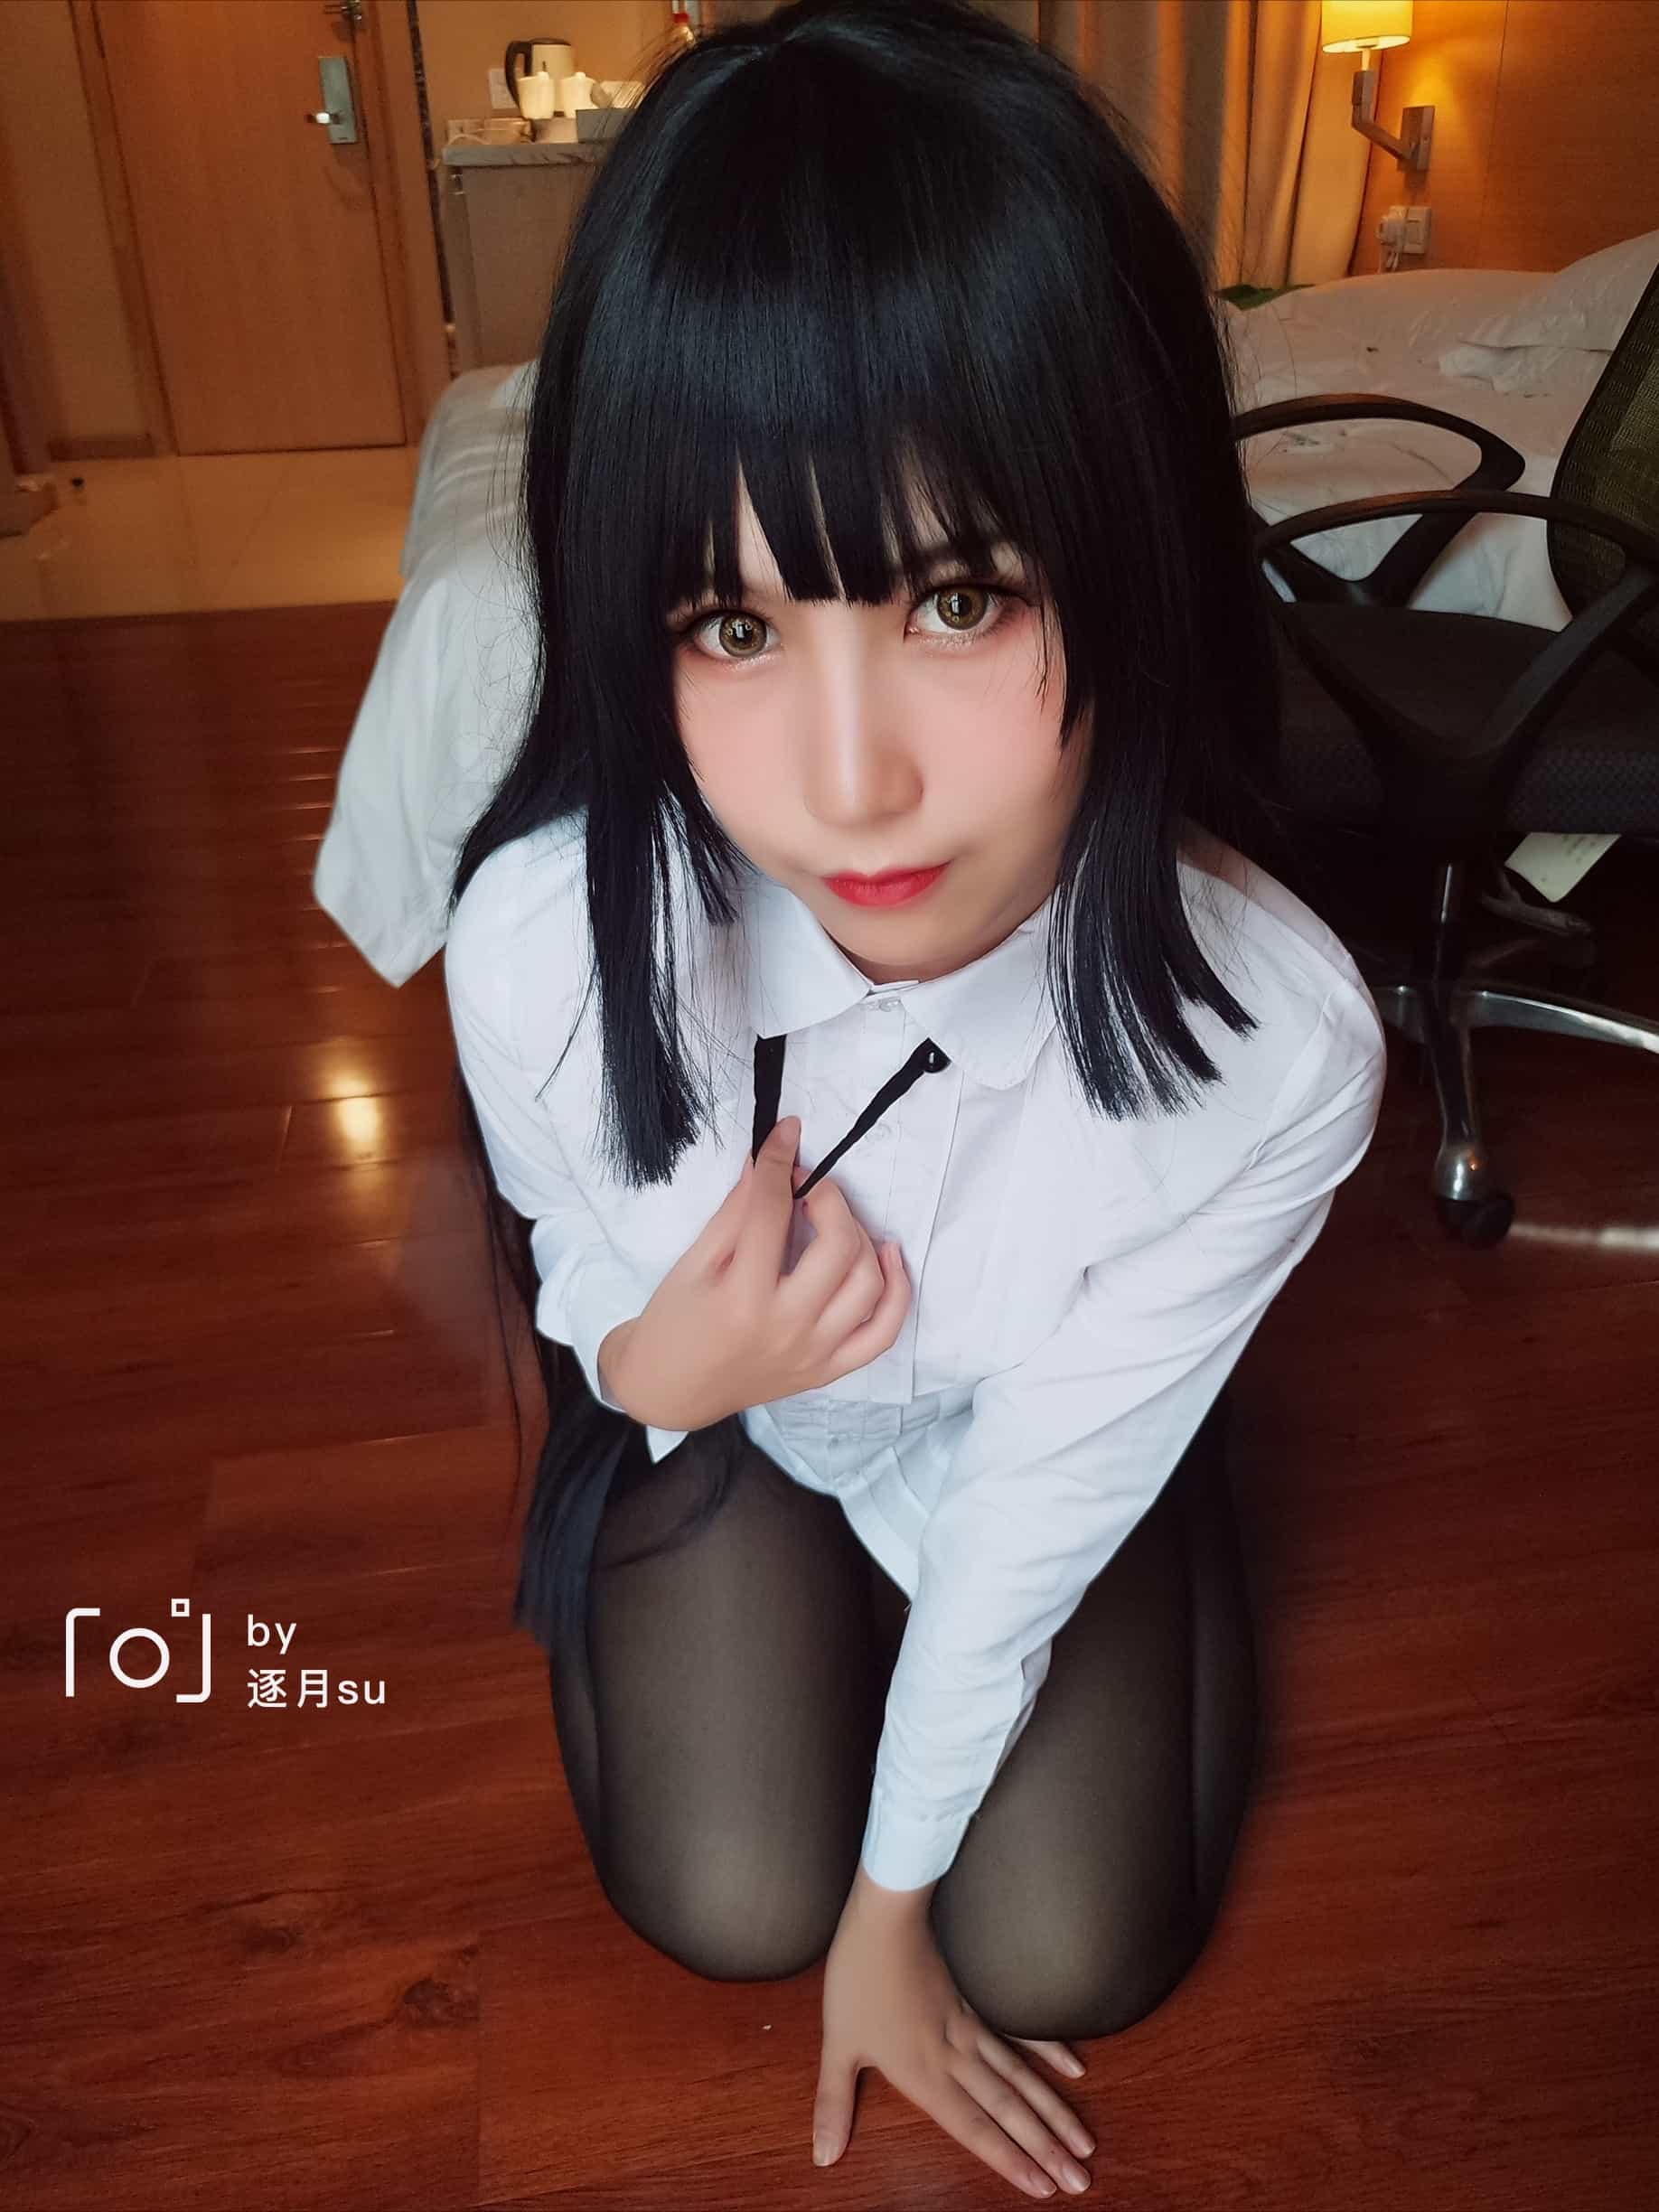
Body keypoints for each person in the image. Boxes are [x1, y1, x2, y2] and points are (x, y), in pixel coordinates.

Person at [441, 0, 1388, 2200]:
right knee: (723, 1894)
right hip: (730, 1410)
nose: (850, 784)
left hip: (1034, 1431)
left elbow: (1028, 1517)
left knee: (1072, 1947)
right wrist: (660, 1366)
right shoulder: (543, 945)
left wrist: (895, 1918)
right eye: (732, 623)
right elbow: (576, 1258)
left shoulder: (1278, 1054)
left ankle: (1182, 1461)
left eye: (956, 597)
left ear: (1127, 557)